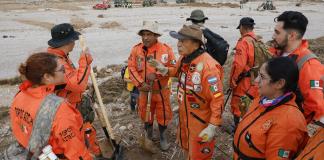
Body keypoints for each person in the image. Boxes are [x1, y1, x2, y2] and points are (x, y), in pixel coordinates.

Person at [150, 24, 224, 160]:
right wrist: (164, 69)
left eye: (183, 41)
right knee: (186, 147)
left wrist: (213, 126)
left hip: (200, 122)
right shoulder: (184, 59)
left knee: (198, 154)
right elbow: (175, 72)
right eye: (178, 40)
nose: (178, 44)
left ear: (196, 43)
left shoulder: (208, 67)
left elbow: (217, 99)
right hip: (185, 117)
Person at [10, 52, 93, 159]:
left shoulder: (20, 96)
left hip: (30, 152)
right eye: (62, 70)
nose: (65, 72)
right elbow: (76, 152)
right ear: (47, 77)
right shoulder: (59, 108)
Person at [233, 57, 308, 159]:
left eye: (262, 77)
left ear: (279, 83)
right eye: (258, 74)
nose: (256, 80)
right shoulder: (262, 98)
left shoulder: (288, 121)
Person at [47, 23, 100, 156]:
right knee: (78, 140)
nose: (75, 42)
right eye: (73, 40)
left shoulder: (59, 56)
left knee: (86, 132)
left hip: (69, 104)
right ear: (68, 42)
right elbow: (77, 84)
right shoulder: (57, 62)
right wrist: (84, 61)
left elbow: (72, 79)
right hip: (65, 110)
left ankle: (93, 154)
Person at [127, 21, 177, 150]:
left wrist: (159, 74)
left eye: (149, 34)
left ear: (156, 36)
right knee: (146, 115)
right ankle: (148, 136)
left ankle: (163, 137)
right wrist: (140, 83)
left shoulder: (166, 50)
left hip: (161, 91)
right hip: (144, 91)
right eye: (143, 34)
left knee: (163, 115)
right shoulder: (136, 50)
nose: (145, 37)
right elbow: (131, 68)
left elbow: (173, 69)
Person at [272, 11, 324, 123]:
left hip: (285, 126)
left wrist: (292, 123)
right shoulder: (277, 53)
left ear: (291, 36)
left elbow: (315, 106)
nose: (273, 36)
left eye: (277, 32)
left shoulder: (308, 65)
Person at [229, 17, 259, 127]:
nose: (239, 31)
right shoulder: (256, 40)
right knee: (250, 103)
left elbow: (238, 65)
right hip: (256, 79)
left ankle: (238, 129)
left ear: (242, 27)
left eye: (240, 28)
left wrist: (233, 80)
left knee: (238, 103)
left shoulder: (243, 42)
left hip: (244, 80)